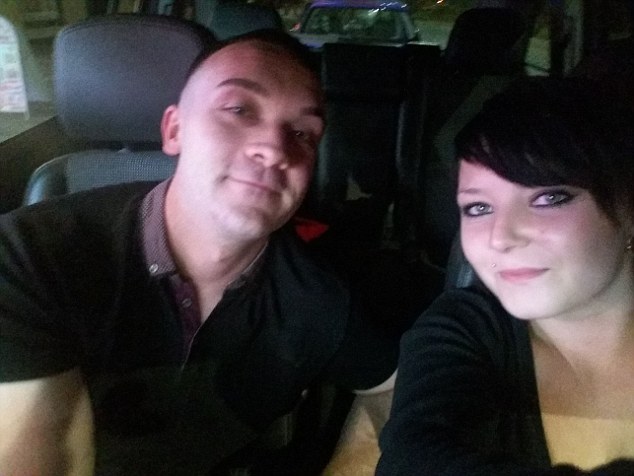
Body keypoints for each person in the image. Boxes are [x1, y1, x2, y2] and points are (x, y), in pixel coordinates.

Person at [0, 30, 398, 475]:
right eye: (239, 109)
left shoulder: (322, 295)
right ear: (174, 130)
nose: (275, 149)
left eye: (303, 133)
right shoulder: (27, 257)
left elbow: (393, 392)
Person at [376, 77, 634, 475]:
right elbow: (414, 455)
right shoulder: (466, 328)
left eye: (549, 198)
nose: (501, 237)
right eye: (478, 208)